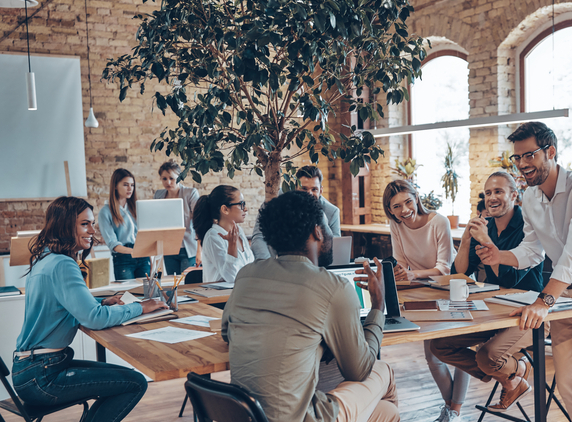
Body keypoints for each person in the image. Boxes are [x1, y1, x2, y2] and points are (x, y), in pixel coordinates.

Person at [475, 122, 572, 422]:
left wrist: (543, 302)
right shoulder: (530, 198)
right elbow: (532, 250)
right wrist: (500, 255)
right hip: (566, 297)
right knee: (567, 388)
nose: (522, 164)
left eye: (529, 156)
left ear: (550, 152)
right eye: (517, 158)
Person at [222, 191, 399, 422]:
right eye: (326, 228)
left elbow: (227, 333)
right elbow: (359, 370)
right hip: (302, 418)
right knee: (382, 370)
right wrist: (377, 305)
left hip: (247, 415)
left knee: (388, 414)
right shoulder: (332, 287)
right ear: (317, 230)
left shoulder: (246, 276)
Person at [13, 197, 168, 422]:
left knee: (126, 379)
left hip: (31, 370)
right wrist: (140, 307)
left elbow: (69, 308)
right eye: (85, 224)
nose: (92, 231)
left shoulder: (44, 259)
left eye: (92, 223)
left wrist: (102, 303)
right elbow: (94, 319)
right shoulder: (63, 264)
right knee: (135, 383)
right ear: (65, 225)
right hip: (43, 376)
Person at [430, 171, 545, 411]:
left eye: (499, 192)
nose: (492, 197)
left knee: (487, 357)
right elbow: (460, 273)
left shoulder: (529, 228)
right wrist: (465, 241)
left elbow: (509, 279)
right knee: (439, 346)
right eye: (489, 193)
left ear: (514, 195)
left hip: (528, 313)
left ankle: (515, 370)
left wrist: (485, 241)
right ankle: (512, 376)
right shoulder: (487, 226)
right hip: (494, 309)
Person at [382, 179, 465, 422]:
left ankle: (455, 411)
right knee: (432, 357)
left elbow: (444, 268)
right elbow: (400, 261)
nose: (404, 210)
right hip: (421, 291)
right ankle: (450, 408)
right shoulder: (396, 225)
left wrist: (411, 274)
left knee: (459, 352)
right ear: (390, 210)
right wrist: (396, 272)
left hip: (450, 290)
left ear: (416, 198)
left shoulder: (438, 222)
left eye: (408, 202)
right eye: (396, 207)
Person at [251, 165, 341, 260]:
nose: (309, 194)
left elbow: (333, 246)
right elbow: (259, 235)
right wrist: (266, 264)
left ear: (321, 191)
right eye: (304, 189)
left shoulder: (332, 212)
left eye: (314, 189)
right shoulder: (277, 198)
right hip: (277, 261)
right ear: (294, 188)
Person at [193, 185, 254, 283]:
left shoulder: (240, 231)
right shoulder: (213, 236)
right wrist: (232, 246)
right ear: (225, 209)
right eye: (241, 204)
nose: (245, 209)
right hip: (222, 297)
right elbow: (231, 277)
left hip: (243, 292)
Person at [98, 168, 150, 279]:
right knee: (128, 294)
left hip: (143, 256)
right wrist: (133, 251)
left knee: (147, 292)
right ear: (115, 186)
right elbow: (112, 243)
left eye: (132, 185)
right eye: (126, 185)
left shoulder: (136, 208)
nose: (130, 188)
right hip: (123, 258)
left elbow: (145, 233)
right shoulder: (105, 212)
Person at [154, 160, 200, 275]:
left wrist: (200, 250)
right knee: (172, 284)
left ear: (179, 177)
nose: (168, 182)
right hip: (169, 248)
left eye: (172, 178)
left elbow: (198, 221)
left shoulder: (191, 193)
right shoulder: (158, 195)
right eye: (164, 178)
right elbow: (156, 221)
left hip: (188, 248)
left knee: (186, 283)